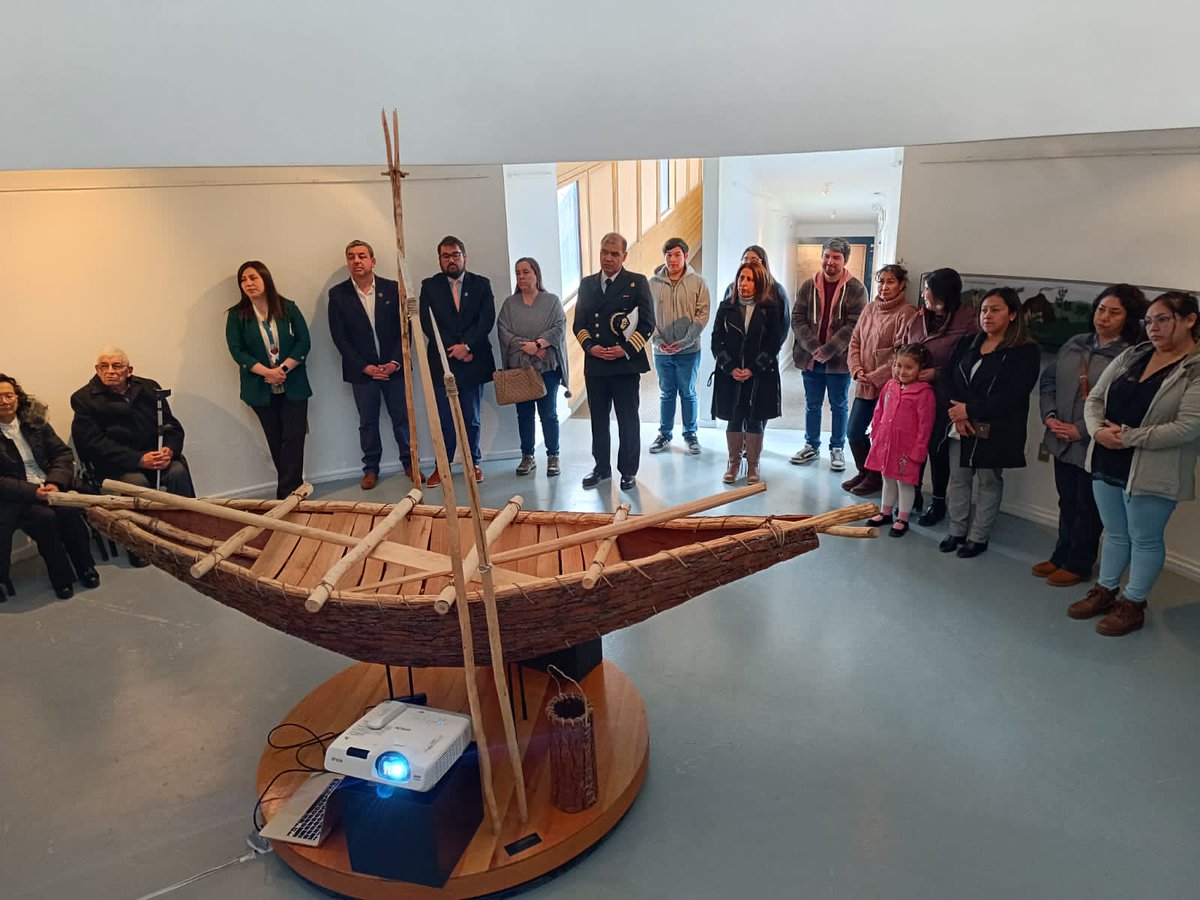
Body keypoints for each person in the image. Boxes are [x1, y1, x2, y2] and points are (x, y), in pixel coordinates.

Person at [1068, 291, 1200, 636]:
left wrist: (1128, 437)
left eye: (1164, 320)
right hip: (1108, 458)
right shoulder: (1134, 354)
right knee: (1114, 532)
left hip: (1155, 468)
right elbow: (1095, 398)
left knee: (1145, 538)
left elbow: (1187, 427)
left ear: (1190, 320)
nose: (1153, 328)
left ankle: (1133, 603)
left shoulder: (1194, 368)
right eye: (1149, 320)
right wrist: (1098, 431)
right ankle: (1106, 591)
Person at [1032, 285, 1146, 587]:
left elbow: (1125, 404)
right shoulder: (1074, 344)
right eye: (1101, 309)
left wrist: (1081, 430)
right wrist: (1050, 417)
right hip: (1060, 439)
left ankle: (1079, 563)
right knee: (1066, 500)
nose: (1104, 317)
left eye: (1114, 312)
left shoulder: (1131, 356)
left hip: (1095, 445)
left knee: (1088, 507)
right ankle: (1061, 555)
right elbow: (1048, 383)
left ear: (1129, 317)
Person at [939, 287, 1040, 558]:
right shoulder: (967, 342)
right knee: (958, 480)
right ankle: (956, 530)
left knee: (988, 481)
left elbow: (1015, 394)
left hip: (996, 428)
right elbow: (948, 378)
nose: (988, 315)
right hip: (960, 424)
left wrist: (969, 410)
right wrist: (957, 415)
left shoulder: (1025, 351)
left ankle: (978, 537)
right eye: (984, 310)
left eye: (996, 310)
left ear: (1012, 315)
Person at [0, 374, 98, 600]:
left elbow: (63, 454)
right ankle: (61, 577)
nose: (5, 401)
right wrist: (33, 491)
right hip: (19, 497)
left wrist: (54, 482)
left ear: (17, 397)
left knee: (69, 512)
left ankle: (85, 567)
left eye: (9, 395)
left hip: (51, 485)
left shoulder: (34, 421)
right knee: (45, 519)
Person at [328, 240, 413, 490]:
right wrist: (364, 367)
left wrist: (395, 362)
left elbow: (405, 330)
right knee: (368, 422)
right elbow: (339, 337)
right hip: (362, 373)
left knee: (402, 418)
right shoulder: (338, 294)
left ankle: (410, 463)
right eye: (351, 257)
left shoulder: (393, 288)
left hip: (394, 370)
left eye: (362, 256)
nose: (357, 261)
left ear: (372, 261)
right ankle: (370, 469)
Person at [573, 232, 654, 491]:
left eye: (614, 254)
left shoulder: (637, 282)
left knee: (628, 419)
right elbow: (579, 323)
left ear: (624, 256)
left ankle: (628, 470)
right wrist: (591, 347)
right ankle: (601, 467)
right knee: (598, 419)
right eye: (604, 253)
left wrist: (625, 349)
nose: (608, 258)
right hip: (596, 364)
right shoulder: (587, 284)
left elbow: (647, 324)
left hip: (625, 364)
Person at [225, 261, 312, 499]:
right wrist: (267, 372)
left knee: (294, 437)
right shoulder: (236, 316)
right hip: (260, 387)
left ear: (265, 279)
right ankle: (293, 490)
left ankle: (286, 494)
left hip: (293, 383)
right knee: (276, 440)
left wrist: (282, 369)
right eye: (243, 280)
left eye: (253, 278)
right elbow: (237, 351)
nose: (248, 283)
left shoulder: (288, 308)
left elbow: (303, 342)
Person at [899, 268, 979, 525]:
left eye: (928, 290)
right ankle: (913, 494)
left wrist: (937, 373)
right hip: (912, 396)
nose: (923, 294)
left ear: (942, 293)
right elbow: (902, 347)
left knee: (937, 449)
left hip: (944, 396)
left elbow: (969, 363)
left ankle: (938, 501)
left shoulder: (968, 321)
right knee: (913, 446)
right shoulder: (918, 317)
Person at [418, 236, 496, 485]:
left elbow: (486, 319)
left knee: (471, 417)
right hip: (442, 361)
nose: (451, 260)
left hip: (473, 359)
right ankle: (443, 466)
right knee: (444, 418)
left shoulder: (481, 284)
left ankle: (473, 462)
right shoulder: (429, 286)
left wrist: (467, 345)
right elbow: (427, 322)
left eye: (455, 255)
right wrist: (452, 349)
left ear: (465, 256)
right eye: (445, 256)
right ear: (439, 260)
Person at [70, 346, 195, 497]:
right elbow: (92, 444)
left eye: (116, 366)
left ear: (129, 370)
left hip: (154, 458)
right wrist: (139, 460)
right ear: (97, 369)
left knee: (177, 471)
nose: (110, 371)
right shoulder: (84, 399)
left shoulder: (149, 388)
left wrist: (169, 450)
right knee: (137, 483)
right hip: (118, 465)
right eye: (104, 366)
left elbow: (171, 426)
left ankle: (188, 519)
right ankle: (145, 521)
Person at [790, 237, 867, 472]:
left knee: (839, 405)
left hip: (839, 361)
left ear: (844, 261)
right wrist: (814, 347)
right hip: (810, 358)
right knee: (812, 404)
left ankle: (837, 448)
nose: (830, 262)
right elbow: (797, 318)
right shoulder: (808, 285)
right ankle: (811, 445)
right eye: (827, 256)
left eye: (836, 257)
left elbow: (856, 324)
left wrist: (830, 349)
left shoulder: (856, 288)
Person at [843, 264, 918, 496]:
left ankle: (875, 476)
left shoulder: (906, 312)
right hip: (863, 383)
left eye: (890, 282)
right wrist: (856, 369)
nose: (884, 287)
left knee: (880, 435)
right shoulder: (870, 308)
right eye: (881, 281)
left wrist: (875, 377)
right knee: (854, 432)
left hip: (888, 388)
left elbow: (900, 352)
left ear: (902, 285)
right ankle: (864, 470)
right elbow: (855, 340)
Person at [711, 260, 784, 484]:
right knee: (734, 419)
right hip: (730, 375)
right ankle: (733, 464)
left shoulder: (770, 308)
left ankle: (753, 465)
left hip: (759, 375)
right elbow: (716, 340)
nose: (744, 283)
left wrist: (752, 369)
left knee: (754, 420)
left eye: (750, 279)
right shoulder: (726, 307)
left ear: (759, 282)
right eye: (741, 278)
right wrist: (730, 367)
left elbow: (774, 343)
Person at [496, 256, 569, 477]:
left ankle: (553, 455)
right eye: (518, 273)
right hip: (520, 370)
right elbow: (503, 331)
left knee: (548, 413)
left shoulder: (552, 301)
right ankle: (527, 456)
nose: (522, 276)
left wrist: (538, 344)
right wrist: (526, 347)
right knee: (524, 414)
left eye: (526, 272)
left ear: (536, 274)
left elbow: (559, 326)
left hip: (547, 368)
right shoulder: (510, 304)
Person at [863, 344, 936, 537]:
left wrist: (919, 449)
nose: (901, 371)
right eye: (897, 365)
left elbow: (925, 424)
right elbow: (879, 411)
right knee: (887, 478)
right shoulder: (890, 386)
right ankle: (885, 512)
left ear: (920, 369)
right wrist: (875, 432)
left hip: (906, 449)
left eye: (908, 367)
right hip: (886, 443)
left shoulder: (924, 393)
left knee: (905, 482)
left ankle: (902, 518)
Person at [649, 237, 710, 455]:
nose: (673, 259)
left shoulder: (698, 282)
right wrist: (657, 340)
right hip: (661, 351)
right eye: (668, 255)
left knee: (688, 392)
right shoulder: (652, 283)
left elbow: (702, 314)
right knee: (666, 393)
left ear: (685, 255)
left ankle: (690, 434)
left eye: (677, 255)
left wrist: (686, 340)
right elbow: (646, 316)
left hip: (689, 350)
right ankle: (664, 434)